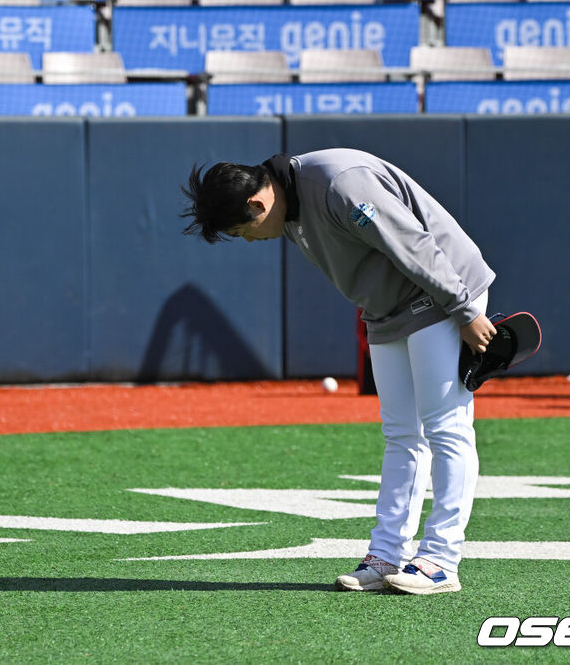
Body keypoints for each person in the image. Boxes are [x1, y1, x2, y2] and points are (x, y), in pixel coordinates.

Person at [181, 149, 497, 595]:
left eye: (242, 231)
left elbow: (412, 243)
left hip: (443, 295)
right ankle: (388, 555)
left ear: (257, 204)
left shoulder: (339, 183)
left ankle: (441, 561)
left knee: (446, 427)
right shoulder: (288, 205)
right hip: (388, 310)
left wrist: (463, 309)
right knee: (402, 433)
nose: (249, 240)